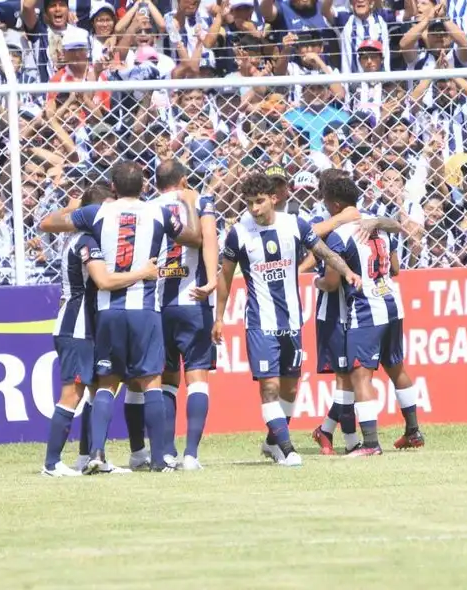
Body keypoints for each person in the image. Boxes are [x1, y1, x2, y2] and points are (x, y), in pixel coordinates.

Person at [39, 161, 202, 473]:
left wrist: (74, 207)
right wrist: (190, 205)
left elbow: (47, 223)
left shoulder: (97, 213)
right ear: (144, 186)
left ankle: (97, 453)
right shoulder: (159, 212)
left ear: (113, 187)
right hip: (145, 308)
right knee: (151, 381)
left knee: (107, 382)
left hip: (108, 310)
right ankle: (158, 459)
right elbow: (193, 237)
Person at [212, 173, 363, 467]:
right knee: (269, 387)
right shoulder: (238, 233)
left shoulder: (294, 225)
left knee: (290, 389)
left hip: (292, 321)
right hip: (260, 323)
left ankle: (272, 443)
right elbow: (226, 276)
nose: (254, 209)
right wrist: (219, 317)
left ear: (273, 199)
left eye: (259, 201)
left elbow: (324, 252)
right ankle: (287, 448)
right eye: (249, 203)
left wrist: (347, 272)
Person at [309, 170, 404, 455]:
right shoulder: (326, 222)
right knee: (346, 377)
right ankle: (347, 439)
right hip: (338, 309)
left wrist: (315, 280)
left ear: (334, 201)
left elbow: (395, 226)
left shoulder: (361, 223)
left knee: (349, 378)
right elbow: (306, 242)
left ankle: (332, 433)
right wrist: (340, 220)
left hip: (352, 308)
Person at [42, 185, 123, 477]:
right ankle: (51, 463)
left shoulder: (82, 237)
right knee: (71, 394)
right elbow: (103, 280)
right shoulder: (85, 241)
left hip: (86, 325)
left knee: (93, 391)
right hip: (75, 326)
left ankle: (89, 458)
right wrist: (143, 274)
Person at [150, 160, 218, 471]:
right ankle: (191, 454)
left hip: (157, 304)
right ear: (184, 180)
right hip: (194, 300)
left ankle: (166, 452)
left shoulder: (148, 207)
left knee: (166, 380)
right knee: (197, 379)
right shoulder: (201, 201)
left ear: (157, 183)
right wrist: (212, 280)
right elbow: (208, 239)